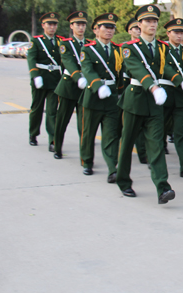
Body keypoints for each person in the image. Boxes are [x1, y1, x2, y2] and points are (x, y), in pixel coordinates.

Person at [115, 4, 183, 204]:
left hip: (154, 104)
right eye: (147, 21)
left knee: (156, 145)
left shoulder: (162, 47)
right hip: (136, 100)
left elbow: (167, 68)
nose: (152, 24)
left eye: (154, 21)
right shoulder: (129, 48)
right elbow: (136, 68)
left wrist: (180, 81)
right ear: (139, 24)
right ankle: (123, 181)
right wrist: (153, 87)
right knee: (127, 143)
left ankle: (163, 187)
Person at [79, 13, 122, 180]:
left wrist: (121, 91)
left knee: (111, 135)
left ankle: (112, 168)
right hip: (93, 97)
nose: (109, 31)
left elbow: (121, 73)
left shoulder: (117, 49)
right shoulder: (87, 49)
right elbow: (87, 70)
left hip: (111, 98)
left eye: (112, 28)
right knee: (89, 133)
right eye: (106, 27)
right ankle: (87, 162)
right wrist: (98, 86)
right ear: (96, 30)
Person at [161, 18, 183, 178]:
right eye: (176, 32)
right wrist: (179, 80)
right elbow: (164, 67)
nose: (180, 35)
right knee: (159, 129)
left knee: (181, 132)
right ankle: (155, 159)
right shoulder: (161, 49)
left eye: (182, 32)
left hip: (181, 96)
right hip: (165, 93)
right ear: (168, 33)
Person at [53, 11, 89, 159]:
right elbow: (68, 62)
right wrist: (78, 77)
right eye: (77, 25)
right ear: (71, 26)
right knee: (62, 120)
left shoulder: (90, 44)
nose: (81, 28)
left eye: (83, 25)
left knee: (84, 123)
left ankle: (85, 156)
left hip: (85, 87)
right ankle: (57, 147)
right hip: (69, 86)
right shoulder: (66, 44)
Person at [27, 12, 62, 150]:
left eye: (54, 24)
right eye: (49, 24)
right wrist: (35, 76)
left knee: (52, 111)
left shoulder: (60, 41)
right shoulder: (36, 41)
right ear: (43, 25)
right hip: (40, 78)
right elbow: (31, 59)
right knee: (37, 108)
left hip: (54, 80)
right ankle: (33, 134)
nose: (52, 27)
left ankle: (52, 140)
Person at [123, 17, 148, 165]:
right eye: (135, 29)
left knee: (143, 125)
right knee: (128, 128)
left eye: (139, 29)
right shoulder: (126, 47)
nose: (137, 31)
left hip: (144, 88)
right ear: (129, 31)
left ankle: (143, 153)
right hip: (128, 87)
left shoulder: (147, 47)